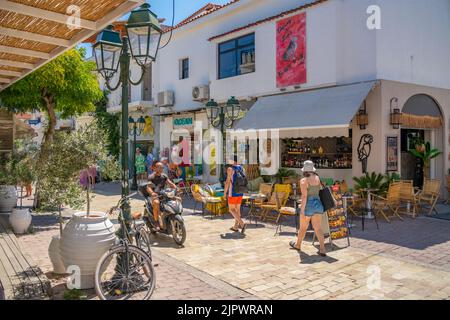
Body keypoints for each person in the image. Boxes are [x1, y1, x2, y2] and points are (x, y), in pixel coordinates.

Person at [289, 160, 327, 257]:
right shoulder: (318, 178)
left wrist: (302, 209)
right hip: (318, 205)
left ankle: (298, 245)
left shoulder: (303, 181)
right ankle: (322, 249)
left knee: (303, 228)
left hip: (308, 206)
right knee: (318, 228)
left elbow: (305, 197)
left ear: (304, 170)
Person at [146, 162, 178, 230]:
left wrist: (175, 187)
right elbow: (148, 187)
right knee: (156, 203)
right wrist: (152, 193)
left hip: (164, 194)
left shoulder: (164, 176)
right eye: (159, 167)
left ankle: (175, 215)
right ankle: (156, 222)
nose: (161, 169)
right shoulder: (151, 176)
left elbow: (170, 183)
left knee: (178, 199)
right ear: (155, 168)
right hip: (155, 195)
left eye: (162, 167)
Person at [224, 156, 247, 234]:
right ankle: (235, 227)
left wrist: (224, 193)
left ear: (233, 161)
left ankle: (242, 224)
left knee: (231, 209)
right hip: (240, 191)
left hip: (233, 192)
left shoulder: (230, 169)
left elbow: (227, 182)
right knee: (237, 210)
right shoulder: (242, 168)